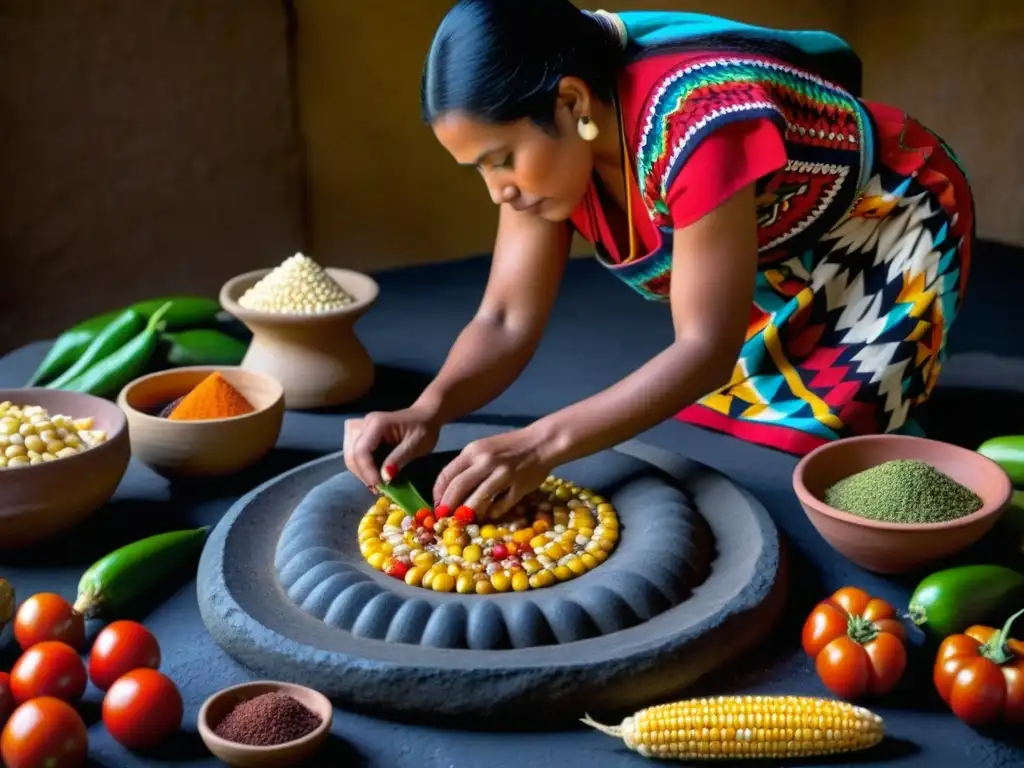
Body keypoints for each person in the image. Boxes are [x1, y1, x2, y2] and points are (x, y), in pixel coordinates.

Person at [344, 0, 974, 519]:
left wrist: (539, 445)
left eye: (501, 158)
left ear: (569, 104)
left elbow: (702, 349)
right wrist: (426, 410)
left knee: (825, 452)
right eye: (477, 168)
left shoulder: (696, 122)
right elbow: (506, 319)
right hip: (788, 251)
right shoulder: (556, 154)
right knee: (750, 416)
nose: (497, 190)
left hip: (894, 218)